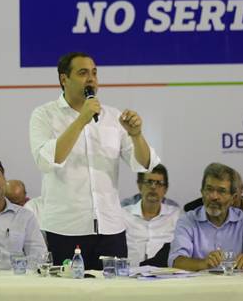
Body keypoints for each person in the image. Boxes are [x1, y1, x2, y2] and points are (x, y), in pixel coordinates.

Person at [29, 52, 160, 269]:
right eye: (83, 73)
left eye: (94, 73)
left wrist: (136, 135)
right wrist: (81, 119)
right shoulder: (44, 115)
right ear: (64, 79)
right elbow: (48, 160)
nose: (91, 79)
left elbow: (145, 164)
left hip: (111, 230)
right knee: (67, 288)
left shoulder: (113, 117)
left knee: (114, 288)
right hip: (65, 230)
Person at [169, 163, 243, 271]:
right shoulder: (187, 220)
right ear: (202, 192)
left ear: (233, 198)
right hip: (199, 281)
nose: (214, 197)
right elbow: (176, 261)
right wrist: (204, 263)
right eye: (209, 189)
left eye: (221, 191)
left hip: (235, 281)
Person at [122, 164, 182, 267]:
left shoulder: (176, 216)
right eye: (149, 182)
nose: (153, 187)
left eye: (159, 183)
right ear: (140, 186)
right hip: (130, 273)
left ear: (165, 189)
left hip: (165, 273)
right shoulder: (123, 215)